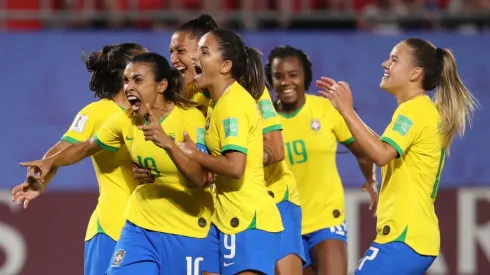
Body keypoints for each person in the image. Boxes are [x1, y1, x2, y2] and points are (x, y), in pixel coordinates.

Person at [18, 53, 214, 275]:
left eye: (137, 80)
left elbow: (200, 180)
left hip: (185, 227)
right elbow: (85, 146)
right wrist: (49, 162)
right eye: (126, 80)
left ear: (162, 85)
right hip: (139, 225)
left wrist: (168, 144)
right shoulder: (125, 119)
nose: (129, 87)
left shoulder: (190, 118)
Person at [137, 16, 306, 274]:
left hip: (270, 197)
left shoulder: (249, 91)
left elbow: (275, 149)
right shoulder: (188, 94)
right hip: (224, 205)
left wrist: (233, 156)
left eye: (181, 51)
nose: (174, 59)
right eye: (171, 51)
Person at [316, 38, 478, 274]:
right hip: (411, 236)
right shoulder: (420, 109)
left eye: (393, 60)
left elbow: (381, 155)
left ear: (415, 73)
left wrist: (348, 110)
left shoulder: (414, 110)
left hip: (405, 236)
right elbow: (380, 146)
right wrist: (344, 113)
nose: (384, 64)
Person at [11, 43, 146, 275]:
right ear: (127, 74)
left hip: (151, 228)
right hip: (112, 227)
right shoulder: (98, 112)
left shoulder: (155, 114)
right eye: (146, 63)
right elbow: (63, 148)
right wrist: (42, 178)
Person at [265, 45, 378, 275]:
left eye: (293, 75)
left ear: (305, 76)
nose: (286, 82)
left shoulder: (325, 109)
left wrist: (370, 181)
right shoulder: (264, 121)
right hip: (284, 223)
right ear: (271, 80)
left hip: (326, 218)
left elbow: (363, 152)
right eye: (278, 76)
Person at [181, 29, 284, 275]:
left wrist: (194, 155)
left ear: (225, 66)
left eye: (204, 52)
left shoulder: (233, 104)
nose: (195, 57)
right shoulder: (218, 103)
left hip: (248, 219)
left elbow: (235, 167)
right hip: (224, 217)